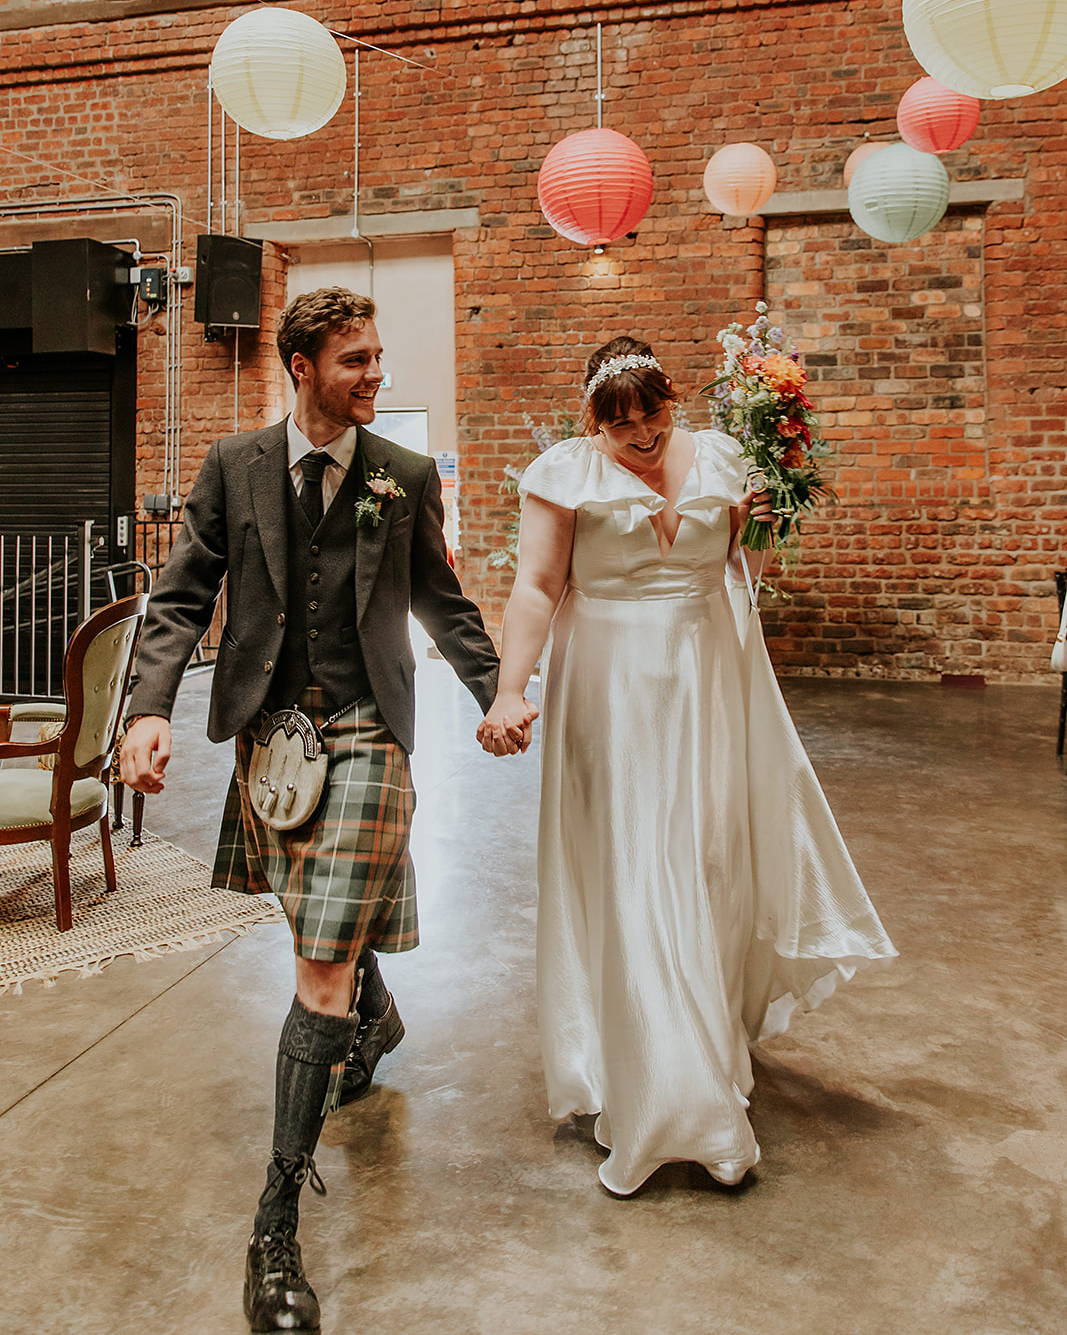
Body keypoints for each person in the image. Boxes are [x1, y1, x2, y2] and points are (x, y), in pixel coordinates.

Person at [120, 288, 528, 1332]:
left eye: (378, 359)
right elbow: (179, 597)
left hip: (366, 728)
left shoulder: (400, 476)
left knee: (314, 967)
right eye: (353, 360)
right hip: (268, 731)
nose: (373, 376)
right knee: (318, 928)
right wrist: (149, 709)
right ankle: (373, 1018)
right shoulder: (234, 467)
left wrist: (499, 691)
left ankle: (273, 1228)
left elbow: (440, 596)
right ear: (299, 366)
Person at [477, 335, 896, 1196]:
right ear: (591, 418)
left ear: (674, 400)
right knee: (635, 872)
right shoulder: (562, 473)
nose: (640, 435)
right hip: (610, 685)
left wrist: (771, 520)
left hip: (708, 680)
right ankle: (669, 1098)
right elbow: (535, 586)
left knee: (708, 861)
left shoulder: (729, 454)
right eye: (618, 421)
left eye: (653, 413)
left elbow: (746, 566)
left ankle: (706, 1039)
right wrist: (507, 690)